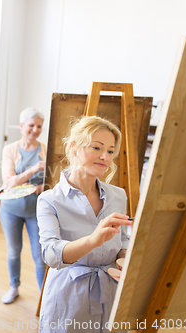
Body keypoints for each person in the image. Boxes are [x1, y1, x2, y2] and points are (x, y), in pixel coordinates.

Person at [36, 116, 132, 333]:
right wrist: (92, 240)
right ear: (74, 147)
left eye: (110, 151)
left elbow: (123, 237)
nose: (104, 156)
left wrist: (123, 256)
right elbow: (51, 255)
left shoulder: (119, 195)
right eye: (96, 147)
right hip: (70, 297)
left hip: (112, 292)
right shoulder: (50, 200)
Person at [0, 107, 47, 304]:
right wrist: (34, 170)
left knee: (40, 256)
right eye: (31, 125)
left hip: (36, 212)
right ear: (21, 126)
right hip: (10, 210)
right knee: (13, 251)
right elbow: (9, 182)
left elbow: (53, 181)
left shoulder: (45, 149)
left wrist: (41, 187)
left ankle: (45, 297)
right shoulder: (10, 149)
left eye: (39, 126)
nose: (35, 129)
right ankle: (14, 287)